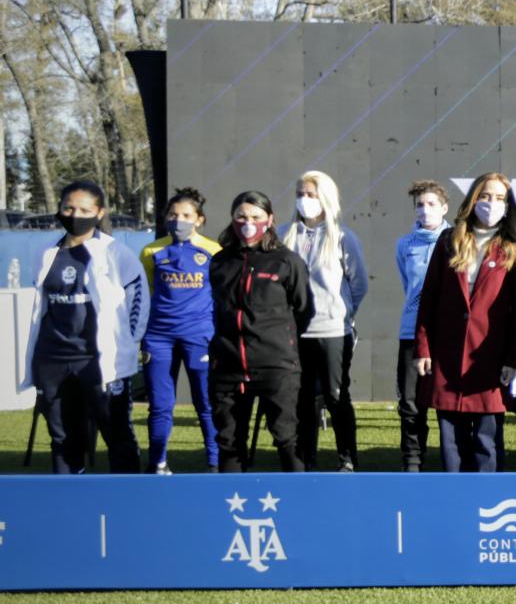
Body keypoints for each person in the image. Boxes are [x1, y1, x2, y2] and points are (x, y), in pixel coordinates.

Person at [21, 180, 146, 474]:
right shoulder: (46, 252)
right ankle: (70, 503)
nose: (75, 214)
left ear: (99, 212)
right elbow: (42, 307)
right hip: (53, 360)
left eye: (84, 209)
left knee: (116, 434)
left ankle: (130, 501)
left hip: (100, 363)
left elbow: (138, 305)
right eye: (68, 208)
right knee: (63, 438)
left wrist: (126, 348)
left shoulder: (117, 254)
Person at [415, 173, 516, 472]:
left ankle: (487, 503)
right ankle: (453, 504)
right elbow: (428, 299)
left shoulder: (515, 247)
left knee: (486, 440)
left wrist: (513, 360)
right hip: (448, 353)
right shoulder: (448, 240)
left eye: (500, 198)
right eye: (486, 196)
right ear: (473, 200)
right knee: (451, 441)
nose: (491, 204)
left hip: (490, 358)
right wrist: (423, 348)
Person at [209, 190, 312, 471]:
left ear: (269, 219)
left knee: (285, 437)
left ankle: (298, 501)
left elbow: (304, 309)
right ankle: (230, 504)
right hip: (228, 366)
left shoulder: (287, 261)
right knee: (228, 440)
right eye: (241, 216)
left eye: (256, 217)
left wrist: (280, 343)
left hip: (275, 365)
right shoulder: (219, 261)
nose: (248, 222)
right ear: (232, 220)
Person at [283, 170, 367, 471]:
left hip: (333, 330)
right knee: (304, 399)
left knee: (336, 395)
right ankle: (306, 459)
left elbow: (358, 284)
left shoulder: (342, 237)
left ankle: (347, 459)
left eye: (311, 194)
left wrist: (341, 312)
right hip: (295, 333)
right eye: (300, 194)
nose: (304, 200)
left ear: (325, 198)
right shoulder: (285, 234)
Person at [139, 187, 223, 473]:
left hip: (200, 336)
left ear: (199, 219)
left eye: (186, 215)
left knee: (206, 403)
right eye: (173, 215)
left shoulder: (214, 251)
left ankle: (214, 464)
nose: (179, 220)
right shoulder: (151, 251)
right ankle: (157, 463)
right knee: (161, 405)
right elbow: (149, 293)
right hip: (159, 337)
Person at [394, 179, 452, 471]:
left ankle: (452, 459)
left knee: (446, 400)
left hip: (448, 335)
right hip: (411, 332)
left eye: (432, 204)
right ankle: (413, 460)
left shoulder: (456, 241)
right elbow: (410, 285)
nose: (425, 210)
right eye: (420, 205)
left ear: (444, 208)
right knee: (410, 402)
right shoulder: (405, 245)